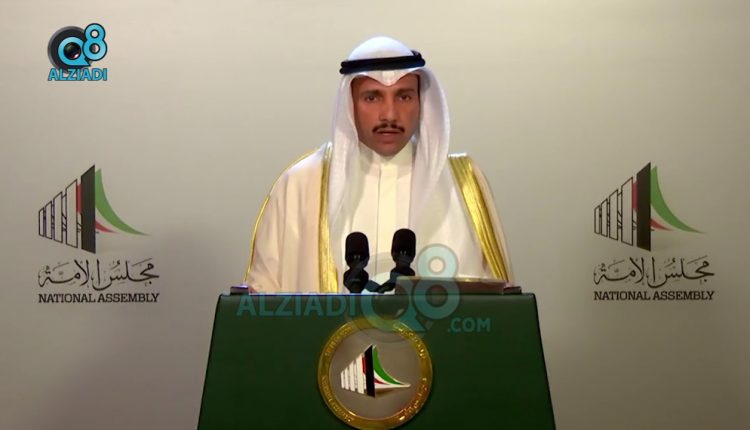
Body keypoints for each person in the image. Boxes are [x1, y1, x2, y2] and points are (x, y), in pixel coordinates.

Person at [242, 36, 513, 293]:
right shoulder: (300, 184)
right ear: (350, 103)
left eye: (404, 97)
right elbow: (262, 297)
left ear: (420, 101)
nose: (390, 114)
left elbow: (500, 300)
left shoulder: (464, 183)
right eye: (372, 97)